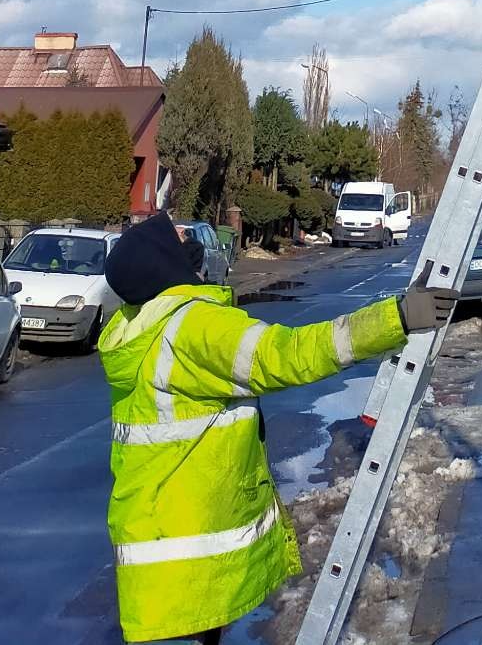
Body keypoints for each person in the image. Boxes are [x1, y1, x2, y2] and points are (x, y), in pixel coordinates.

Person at [98, 210, 457, 645]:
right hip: (188, 551)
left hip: (161, 540)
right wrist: (394, 318)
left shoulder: (138, 327)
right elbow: (288, 355)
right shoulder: (193, 328)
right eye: (179, 240)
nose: (191, 245)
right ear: (163, 264)